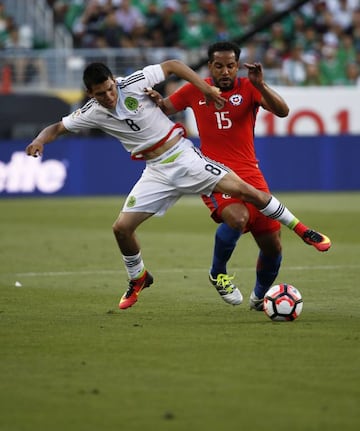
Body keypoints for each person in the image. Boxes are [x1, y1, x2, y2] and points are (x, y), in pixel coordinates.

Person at [25, 59, 331, 310]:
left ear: (113, 82)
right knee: (121, 228)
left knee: (247, 192)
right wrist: (39, 140)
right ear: (90, 94)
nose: (108, 97)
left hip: (183, 156)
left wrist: (204, 88)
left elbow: (172, 65)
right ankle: (138, 277)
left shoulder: (133, 83)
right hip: (155, 171)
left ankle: (303, 230)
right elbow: (57, 127)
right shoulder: (91, 112)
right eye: (100, 94)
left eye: (109, 89)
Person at [146, 41, 330, 310]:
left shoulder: (248, 88)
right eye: (219, 66)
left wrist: (261, 85)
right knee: (238, 218)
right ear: (210, 66)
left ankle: (259, 298)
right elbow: (165, 108)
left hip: (250, 174)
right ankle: (217, 272)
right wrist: (155, 100)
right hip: (212, 174)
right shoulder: (194, 89)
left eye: (231, 66)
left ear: (236, 66)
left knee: (273, 246)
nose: (225, 71)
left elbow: (283, 111)